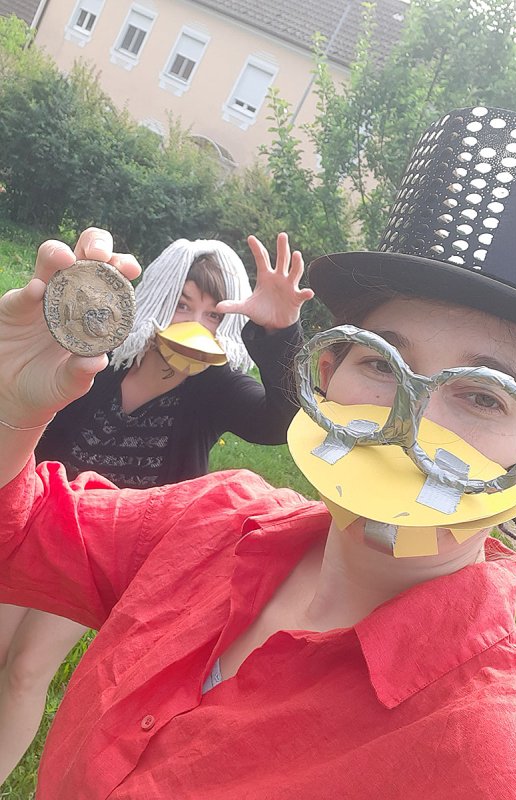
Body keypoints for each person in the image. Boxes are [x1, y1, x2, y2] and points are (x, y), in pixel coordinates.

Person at [0, 106, 516, 799]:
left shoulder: (487, 760)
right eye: (380, 362)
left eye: (484, 397)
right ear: (330, 377)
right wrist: (11, 410)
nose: (407, 426)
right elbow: (19, 531)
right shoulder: (210, 522)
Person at [0, 232, 313, 784]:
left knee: (26, 669)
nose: (196, 324)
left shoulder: (213, 387)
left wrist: (280, 333)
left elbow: (278, 423)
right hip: (38, 520)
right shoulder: (100, 360)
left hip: (102, 550)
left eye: (214, 315)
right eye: (183, 304)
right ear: (158, 296)